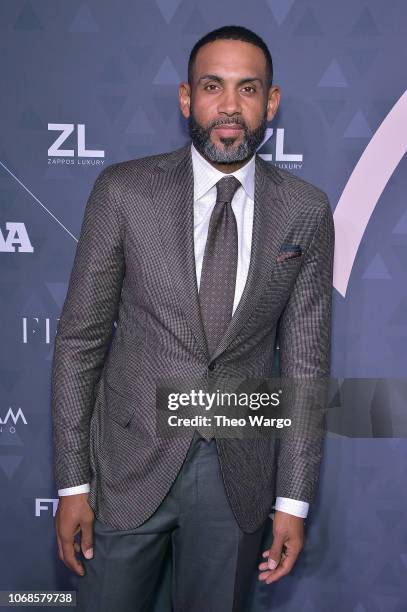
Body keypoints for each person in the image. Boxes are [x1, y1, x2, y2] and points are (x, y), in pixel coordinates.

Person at [51, 24, 335, 612]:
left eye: (248, 89)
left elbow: (305, 369)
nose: (230, 107)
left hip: (236, 476)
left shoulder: (305, 210)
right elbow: (80, 342)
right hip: (127, 469)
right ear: (187, 98)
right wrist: (74, 483)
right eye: (213, 86)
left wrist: (293, 501)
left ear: (271, 103)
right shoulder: (124, 193)